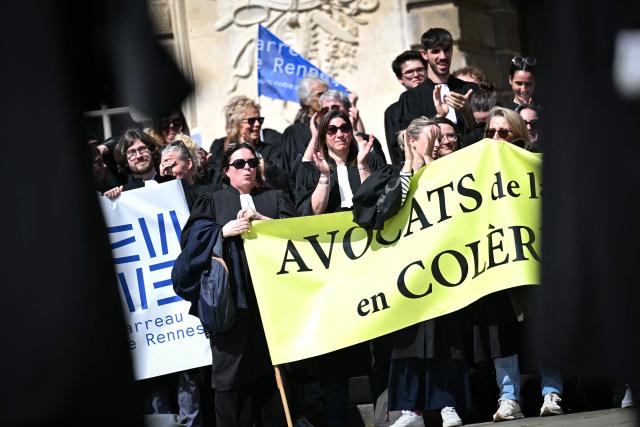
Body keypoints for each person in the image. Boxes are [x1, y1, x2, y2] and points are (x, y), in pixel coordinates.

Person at [175, 142, 298, 426]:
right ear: (227, 171)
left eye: (252, 163)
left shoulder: (275, 198)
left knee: (274, 381)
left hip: (273, 307)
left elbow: (297, 236)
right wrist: (223, 231)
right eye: (240, 164)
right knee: (231, 383)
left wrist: (262, 221)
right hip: (232, 307)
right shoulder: (213, 201)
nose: (247, 168)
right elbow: (191, 242)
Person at [295, 109, 383, 426]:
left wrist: (361, 165)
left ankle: (385, 415)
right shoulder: (311, 169)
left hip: (369, 260)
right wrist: (323, 175)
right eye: (331, 130)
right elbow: (312, 213)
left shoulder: (368, 162)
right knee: (337, 347)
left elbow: (376, 201)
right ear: (322, 136)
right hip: (333, 267)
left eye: (344, 127)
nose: (339, 134)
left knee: (377, 338)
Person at [398, 28, 476, 133]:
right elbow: (413, 140)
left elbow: (486, 134)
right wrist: (439, 117)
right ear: (424, 54)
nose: (443, 56)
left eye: (447, 49)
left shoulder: (471, 89)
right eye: (435, 51)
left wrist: (467, 113)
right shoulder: (410, 98)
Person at [207, 96, 288, 193]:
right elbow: (214, 181)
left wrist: (250, 151)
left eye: (260, 120)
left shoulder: (271, 150)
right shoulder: (219, 147)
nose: (258, 124)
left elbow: (281, 181)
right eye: (251, 121)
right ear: (235, 124)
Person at [281, 77, 329, 184]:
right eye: (320, 94)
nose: (326, 98)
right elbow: (291, 171)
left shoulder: (337, 126)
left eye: (328, 93)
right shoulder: (293, 133)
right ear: (306, 100)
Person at [384, 50, 429, 165]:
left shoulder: (439, 96)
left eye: (419, 69)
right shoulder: (393, 112)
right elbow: (394, 149)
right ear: (400, 78)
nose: (416, 75)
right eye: (409, 72)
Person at [461, 81, 499, 148]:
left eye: (486, 123)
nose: (482, 129)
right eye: (478, 123)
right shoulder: (471, 138)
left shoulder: (505, 135)